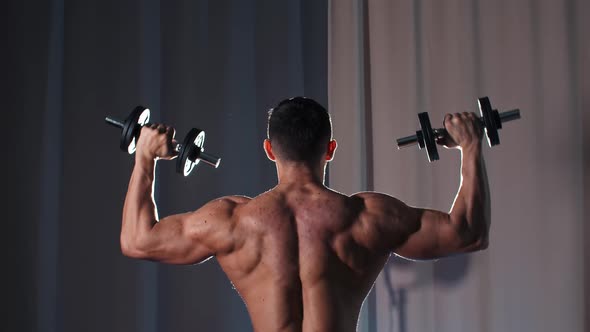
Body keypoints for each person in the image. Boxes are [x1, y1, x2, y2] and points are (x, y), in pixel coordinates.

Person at [119, 97, 490, 332]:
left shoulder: (232, 221)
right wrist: (470, 146)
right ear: (329, 149)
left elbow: (137, 240)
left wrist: (145, 158)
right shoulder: (367, 217)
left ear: (269, 149)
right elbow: (468, 233)